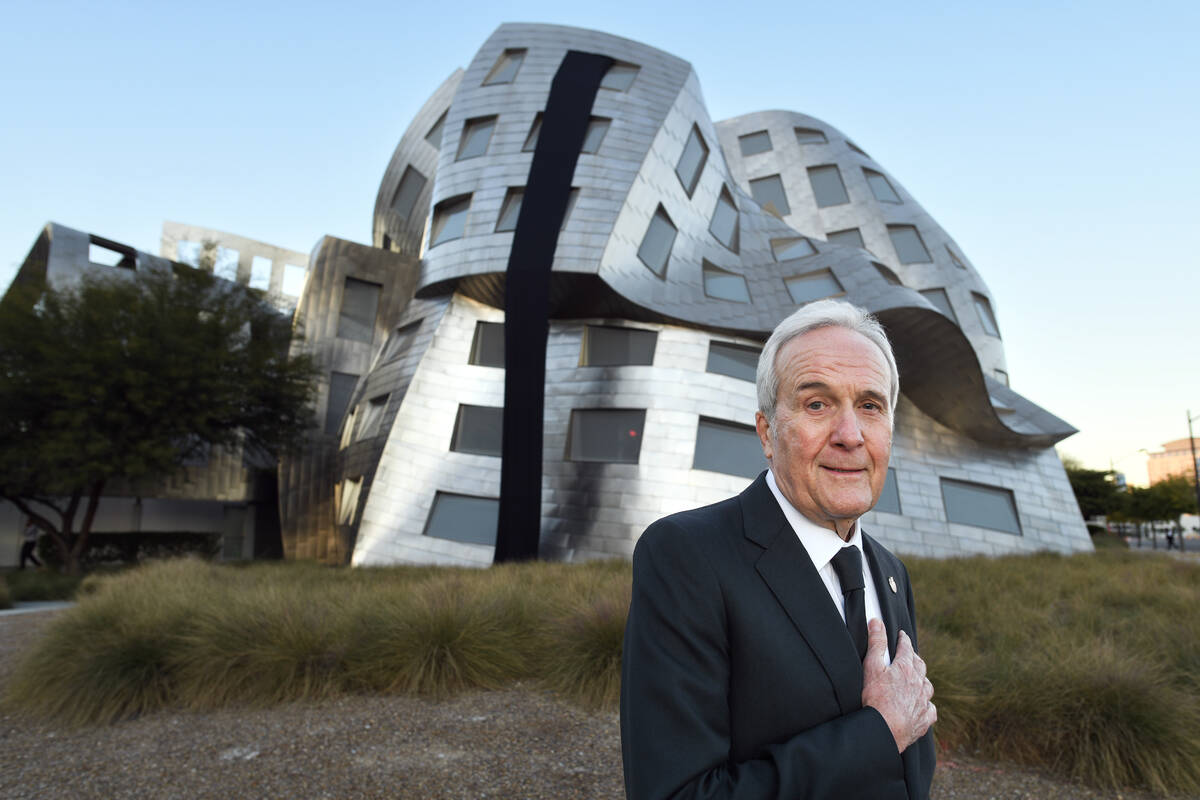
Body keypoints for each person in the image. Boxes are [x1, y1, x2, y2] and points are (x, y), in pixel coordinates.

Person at [620, 299, 936, 799]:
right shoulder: (686, 556)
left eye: (870, 406)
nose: (850, 435)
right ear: (767, 432)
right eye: (817, 404)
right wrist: (878, 733)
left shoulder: (890, 572)